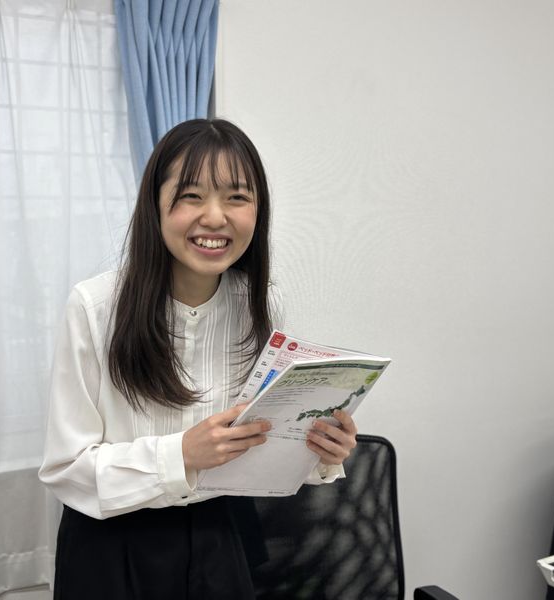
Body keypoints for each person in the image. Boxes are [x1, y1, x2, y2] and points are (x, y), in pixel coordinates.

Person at [39, 118, 359, 599]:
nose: (214, 217)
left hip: (219, 535)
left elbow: (256, 442)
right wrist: (181, 455)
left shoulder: (260, 304)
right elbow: (67, 469)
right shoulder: (95, 307)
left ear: (258, 211)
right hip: (111, 547)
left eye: (237, 197)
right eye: (191, 195)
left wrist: (318, 452)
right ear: (155, 205)